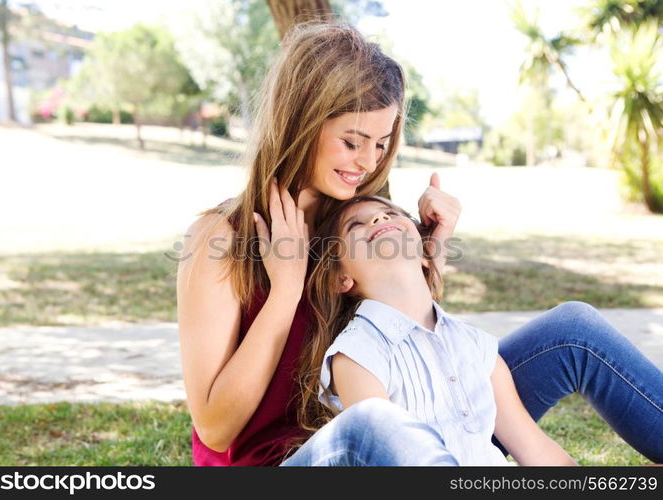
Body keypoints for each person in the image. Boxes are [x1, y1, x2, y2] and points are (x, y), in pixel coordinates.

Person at [176, 20, 663, 467]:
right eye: (352, 140)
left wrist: (430, 259)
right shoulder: (222, 238)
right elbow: (216, 430)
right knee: (372, 426)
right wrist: (284, 292)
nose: (367, 161)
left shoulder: (356, 214)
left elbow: (422, 361)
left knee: (573, 330)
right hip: (305, 460)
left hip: (413, 446)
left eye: (382, 142)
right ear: (302, 121)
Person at [287, 195, 583, 465]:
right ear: (341, 278)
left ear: (427, 254)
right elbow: (379, 453)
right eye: (356, 225)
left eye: (390, 213)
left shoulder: (476, 344)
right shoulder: (357, 354)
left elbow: (533, 448)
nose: (380, 220)